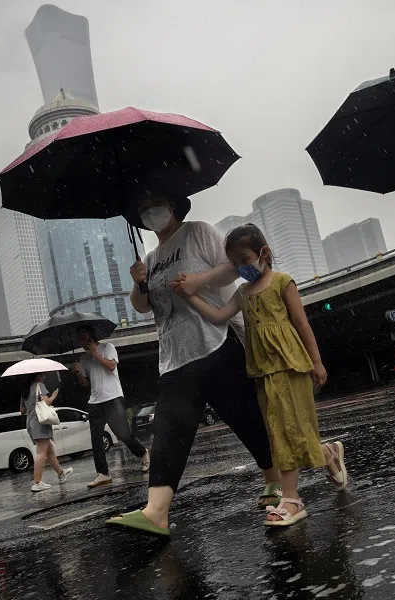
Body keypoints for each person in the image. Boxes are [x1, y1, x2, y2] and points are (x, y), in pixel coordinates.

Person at [105, 189, 279, 537]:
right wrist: (139, 282)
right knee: (168, 429)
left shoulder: (197, 231)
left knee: (248, 420)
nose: (150, 210)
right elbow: (142, 306)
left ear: (171, 204)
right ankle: (156, 512)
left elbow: (232, 266)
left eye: (155, 203)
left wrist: (198, 281)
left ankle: (281, 477)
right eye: (142, 207)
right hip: (174, 355)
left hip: (215, 343)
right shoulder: (151, 258)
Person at [176, 224, 349, 527]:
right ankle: (328, 454)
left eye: (245, 259)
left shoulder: (283, 283)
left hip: (291, 366)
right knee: (278, 432)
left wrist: (316, 363)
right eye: (235, 263)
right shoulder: (242, 293)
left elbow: (302, 324)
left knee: (291, 430)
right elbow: (218, 316)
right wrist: (190, 295)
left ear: (264, 253)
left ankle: (292, 500)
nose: (241, 267)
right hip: (262, 372)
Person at [74, 325, 150, 488]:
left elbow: (111, 366)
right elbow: (84, 383)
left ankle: (143, 453)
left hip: (113, 397)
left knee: (122, 434)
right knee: (96, 438)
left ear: (91, 336)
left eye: (83, 336)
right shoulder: (83, 358)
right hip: (94, 401)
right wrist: (79, 373)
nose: (81, 341)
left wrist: (95, 353)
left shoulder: (108, 347)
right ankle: (103, 473)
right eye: (79, 338)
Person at [21, 372, 73, 492]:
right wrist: (54, 395)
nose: (44, 378)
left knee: (49, 451)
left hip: (30, 422)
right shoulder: (39, 385)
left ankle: (61, 474)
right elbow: (47, 402)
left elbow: (22, 410)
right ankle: (37, 482)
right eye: (43, 376)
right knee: (41, 453)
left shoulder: (25, 389)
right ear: (37, 376)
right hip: (40, 422)